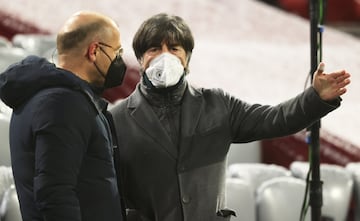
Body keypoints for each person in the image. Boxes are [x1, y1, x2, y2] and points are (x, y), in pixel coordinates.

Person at [109, 13, 351, 221]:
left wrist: (315, 97)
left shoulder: (217, 104)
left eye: (173, 48)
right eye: (154, 49)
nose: (165, 57)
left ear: (186, 59)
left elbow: (275, 119)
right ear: (140, 59)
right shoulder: (116, 119)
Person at [0, 11, 127, 221]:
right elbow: (54, 193)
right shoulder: (65, 104)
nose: (118, 60)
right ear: (94, 51)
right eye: (117, 51)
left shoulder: (44, 97)